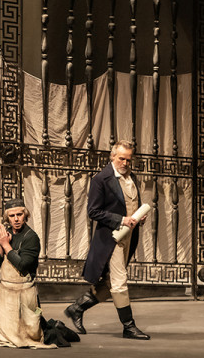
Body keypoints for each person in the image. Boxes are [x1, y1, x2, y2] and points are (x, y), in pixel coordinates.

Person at [64, 140, 150, 339]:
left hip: (128, 236)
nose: (126, 163)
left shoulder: (132, 177)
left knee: (109, 283)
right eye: (121, 158)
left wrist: (137, 217)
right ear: (112, 157)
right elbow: (93, 211)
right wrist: (121, 219)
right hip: (111, 238)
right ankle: (129, 326)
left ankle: (77, 308)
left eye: (129, 159)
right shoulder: (101, 179)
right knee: (119, 282)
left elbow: (129, 204)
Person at [0, 198, 57, 349]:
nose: (16, 219)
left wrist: (6, 245)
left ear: (25, 215)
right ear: (7, 218)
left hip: (25, 292)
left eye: (19, 214)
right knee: (7, 333)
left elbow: (23, 265)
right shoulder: (4, 234)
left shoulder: (31, 237)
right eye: (12, 216)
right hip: (6, 293)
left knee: (31, 330)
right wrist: (0, 246)